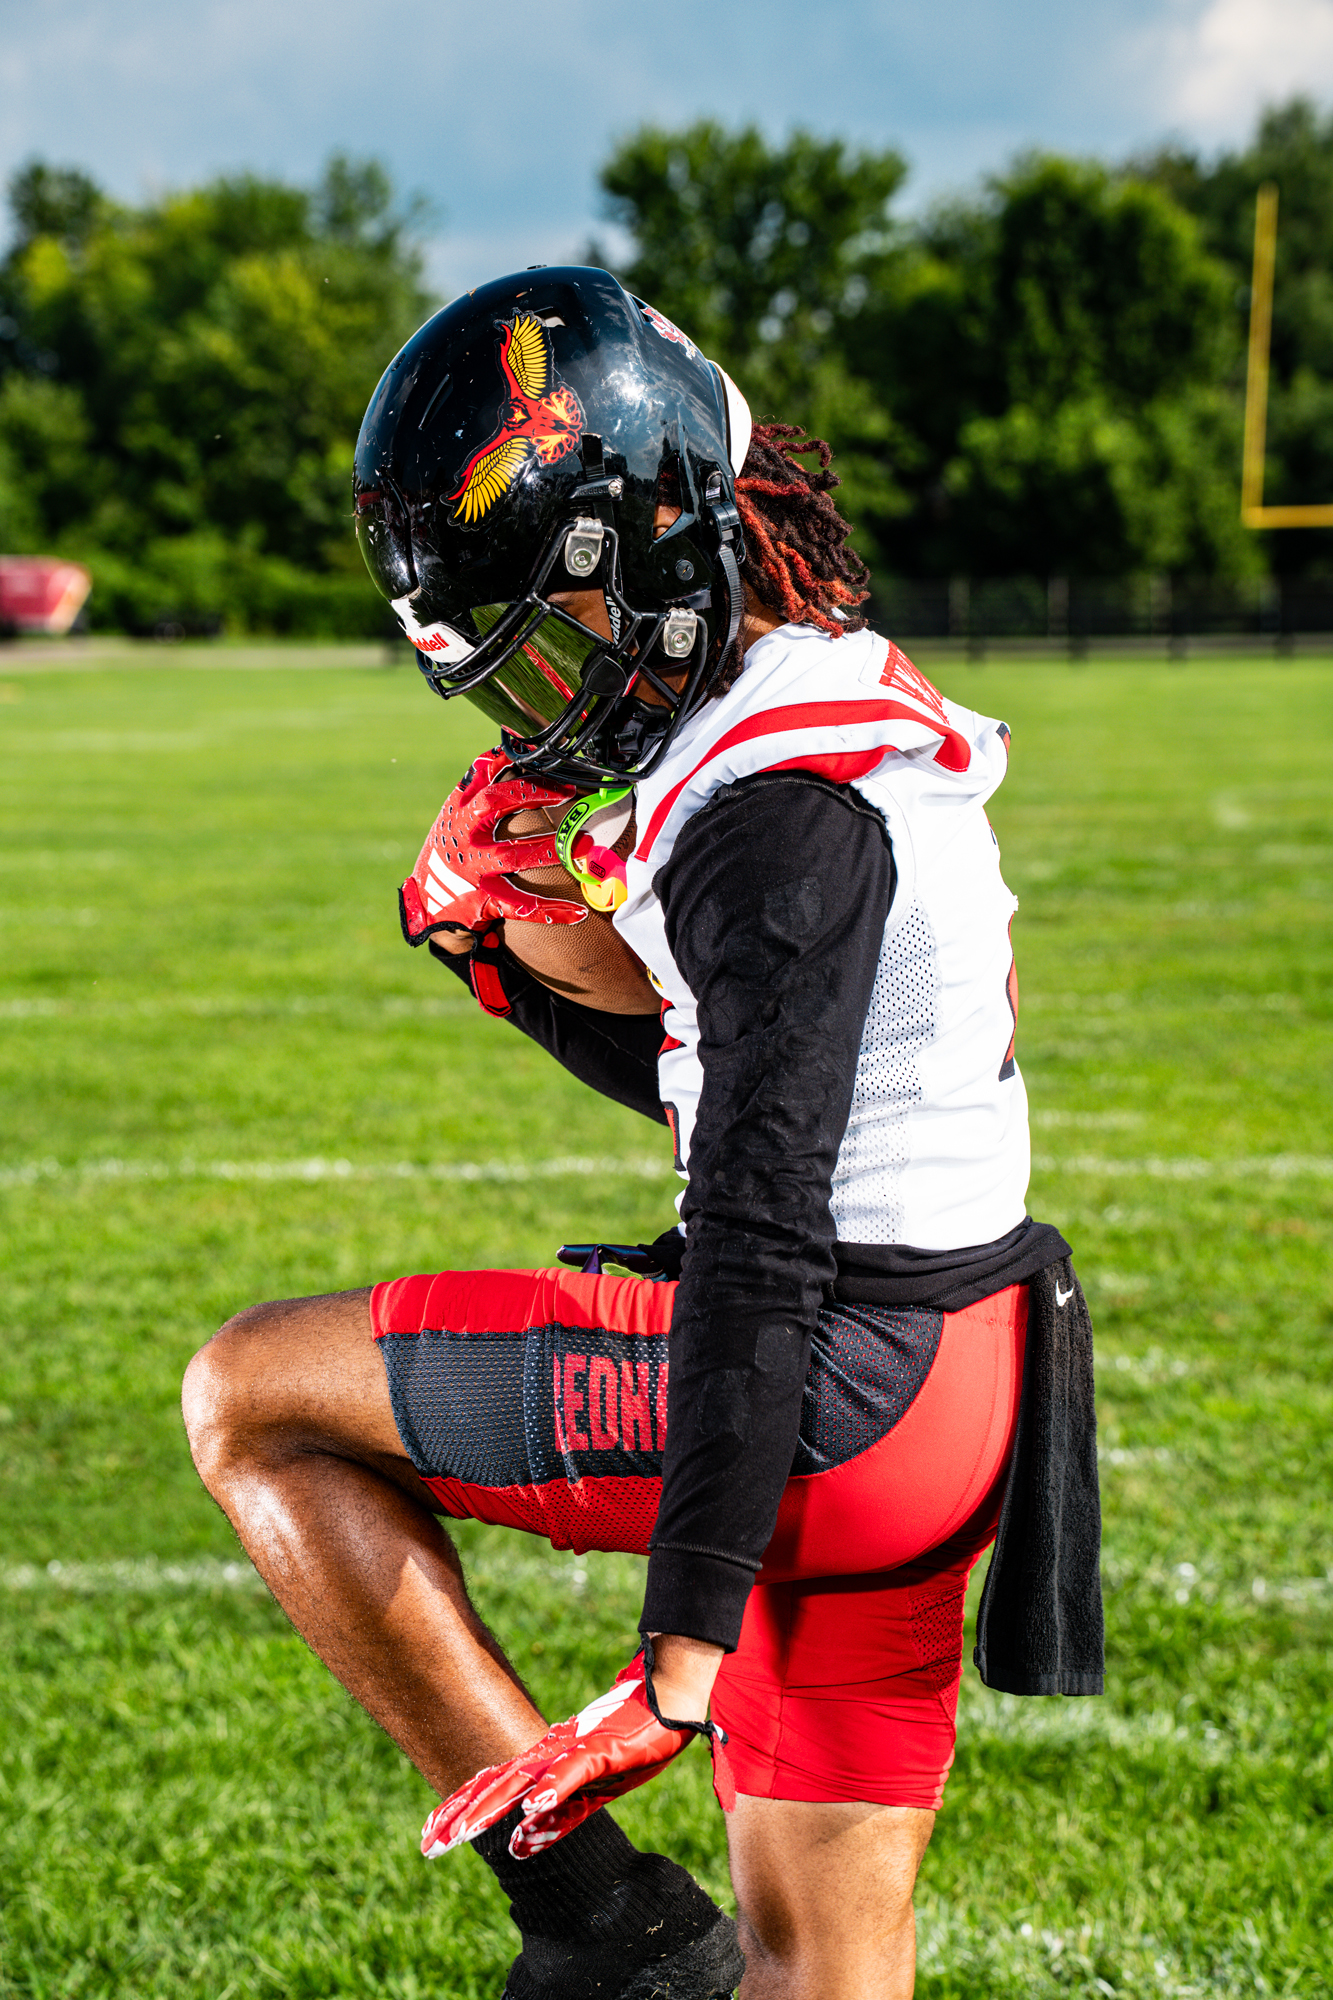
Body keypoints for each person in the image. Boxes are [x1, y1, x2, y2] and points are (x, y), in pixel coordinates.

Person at [182, 266, 1101, 2000]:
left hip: (832, 1389)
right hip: (965, 1376)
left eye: (560, 631)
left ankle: (597, 1921)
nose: (549, 703)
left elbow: (760, 1213)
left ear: (665, 537)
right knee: (819, 1971)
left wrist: (680, 1650)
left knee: (249, 1399)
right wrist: (496, 959)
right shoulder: (824, 692)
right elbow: (750, 1073)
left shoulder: (771, 812)